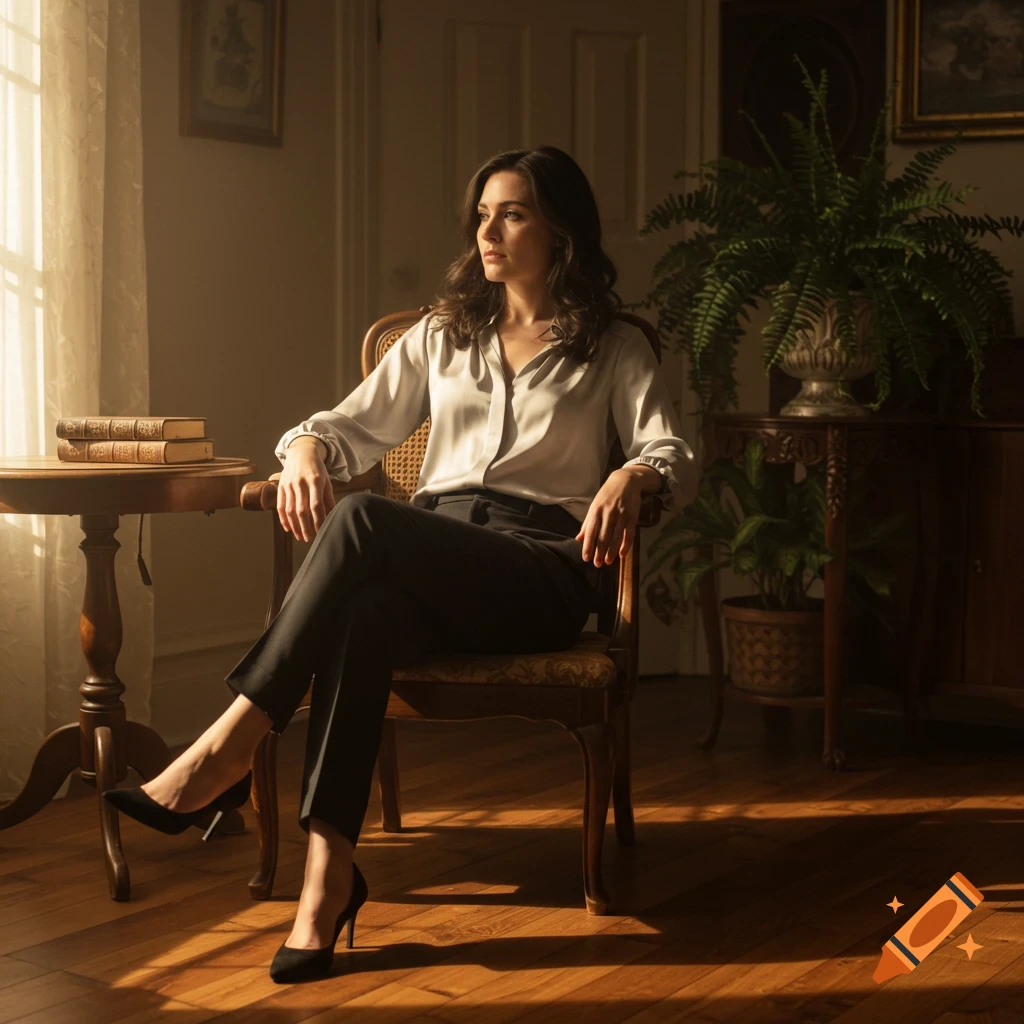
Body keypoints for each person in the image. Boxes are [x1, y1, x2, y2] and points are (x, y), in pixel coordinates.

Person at [103, 145, 694, 983]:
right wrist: (307, 449)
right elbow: (345, 424)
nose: (487, 230)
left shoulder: (612, 348)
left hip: (540, 569)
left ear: (560, 232)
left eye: (513, 213)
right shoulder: (443, 336)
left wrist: (635, 472)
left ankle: (227, 747)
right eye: (483, 213)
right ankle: (326, 883)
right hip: (434, 550)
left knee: (364, 521)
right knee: (365, 613)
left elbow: (671, 449)